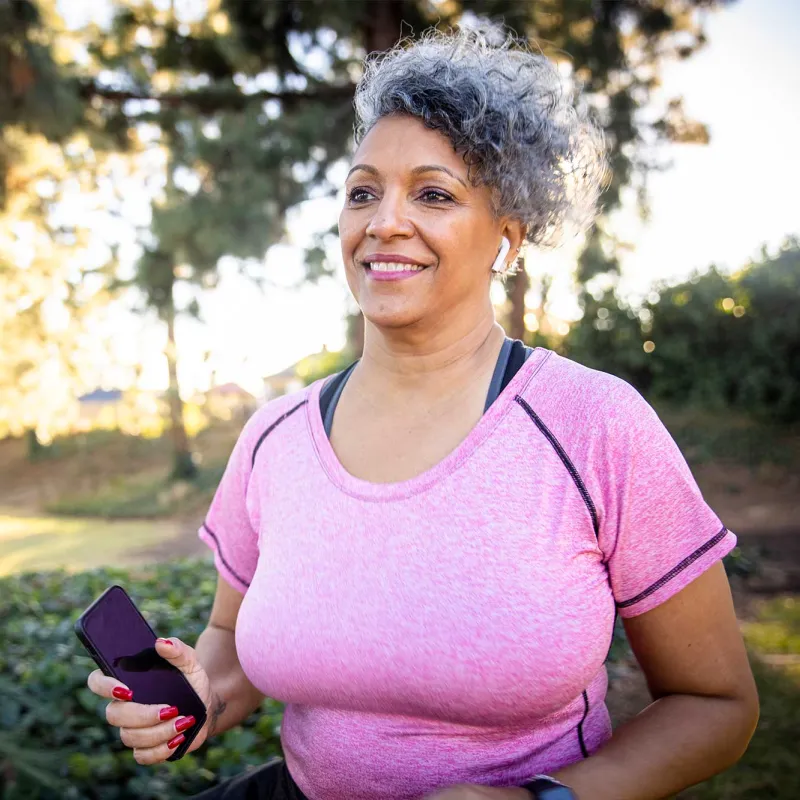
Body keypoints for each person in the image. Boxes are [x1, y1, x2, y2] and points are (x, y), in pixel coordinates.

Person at [86, 24, 758, 800]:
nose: (384, 222)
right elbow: (233, 647)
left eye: (433, 194)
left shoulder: (595, 425)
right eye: (363, 191)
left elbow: (715, 704)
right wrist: (192, 702)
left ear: (506, 238)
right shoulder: (273, 436)